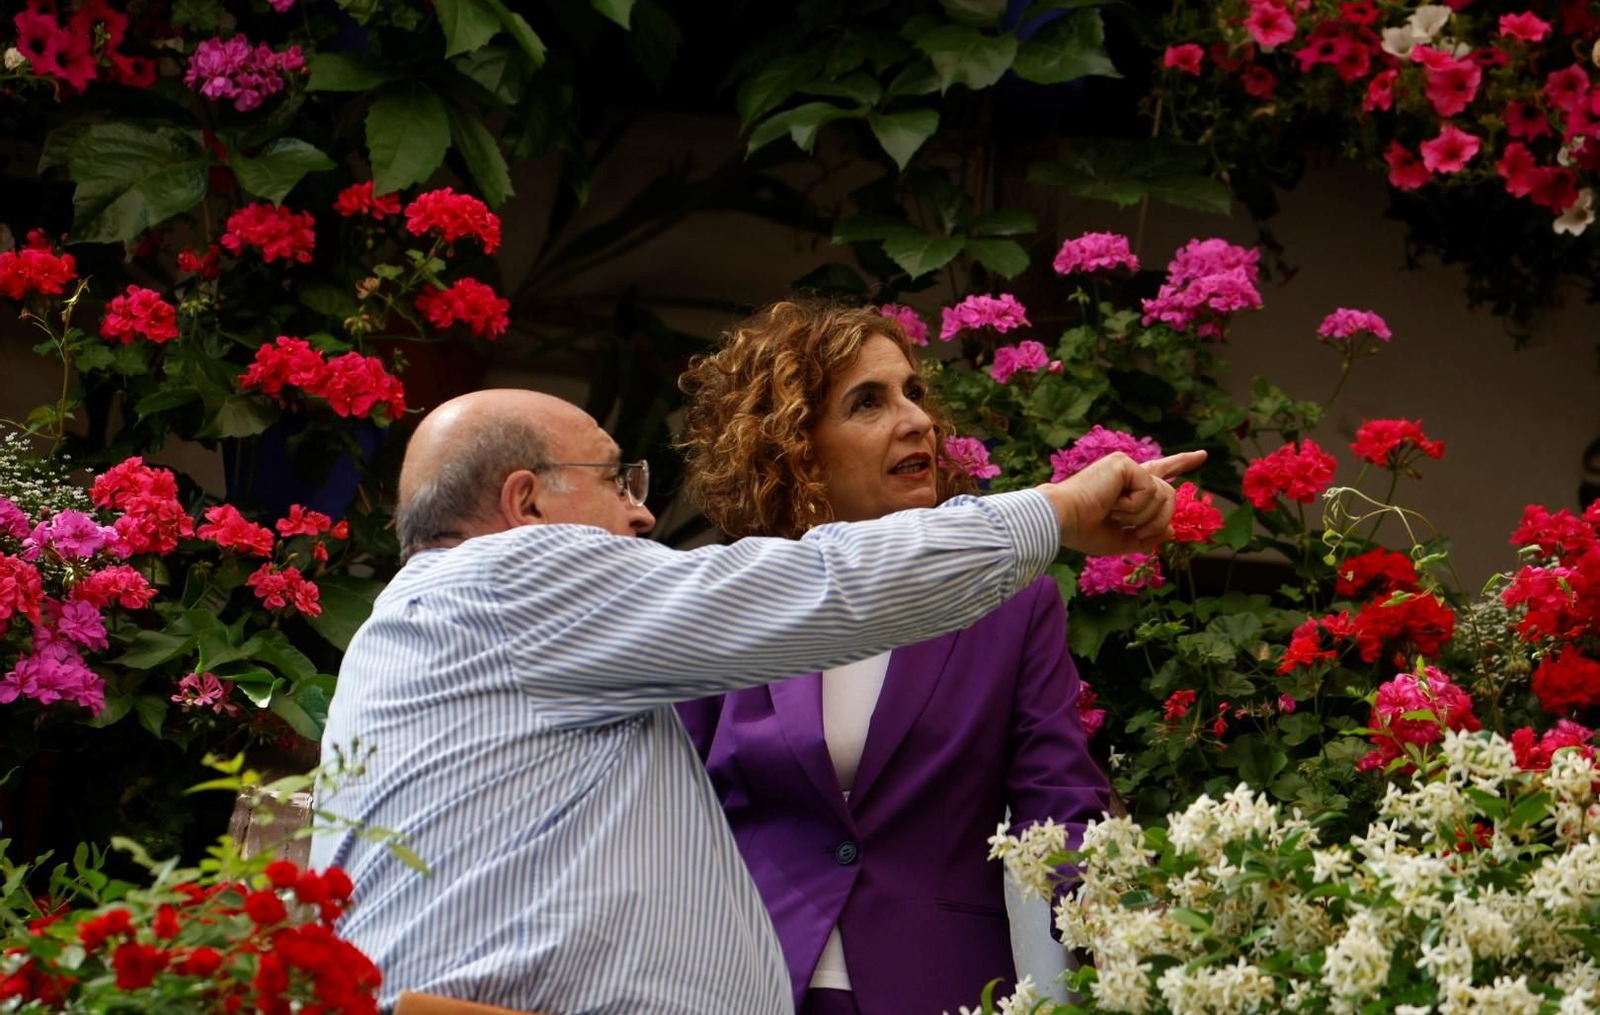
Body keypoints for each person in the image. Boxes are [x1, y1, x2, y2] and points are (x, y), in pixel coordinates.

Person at [310, 386, 1201, 1015]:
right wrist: (1055, 513)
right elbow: (825, 586)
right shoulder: (512, 576)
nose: (643, 515)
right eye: (619, 479)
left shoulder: (423, 628)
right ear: (525, 501)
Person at [674, 301, 1110, 1015]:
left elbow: (1058, 804)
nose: (916, 420)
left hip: (939, 985)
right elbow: (670, 814)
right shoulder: (733, 598)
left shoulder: (1012, 603)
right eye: (868, 402)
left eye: (912, 392)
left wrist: (1124, 936)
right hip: (746, 982)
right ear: (796, 445)